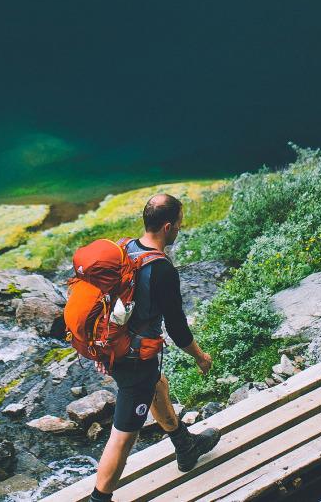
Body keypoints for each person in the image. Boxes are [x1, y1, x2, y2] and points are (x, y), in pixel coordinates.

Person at [90, 193, 221, 501]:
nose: (180, 228)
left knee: (157, 384)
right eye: (178, 223)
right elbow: (176, 327)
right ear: (166, 227)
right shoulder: (162, 269)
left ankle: (185, 446)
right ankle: (99, 498)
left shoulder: (124, 248)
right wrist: (200, 357)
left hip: (111, 345)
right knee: (123, 437)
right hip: (133, 358)